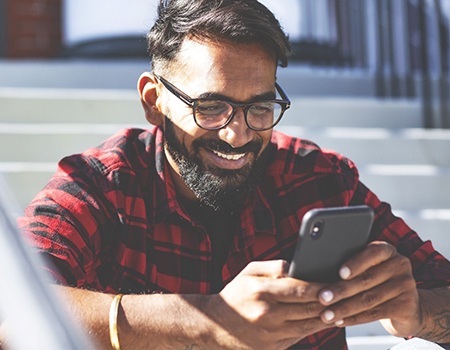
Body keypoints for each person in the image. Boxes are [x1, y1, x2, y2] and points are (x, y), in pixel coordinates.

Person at [13, 0, 450, 349]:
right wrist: (208, 321)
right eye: (210, 106)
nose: (237, 134)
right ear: (153, 100)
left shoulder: (319, 180)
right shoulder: (101, 186)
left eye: (259, 107)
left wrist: (418, 311)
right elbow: (10, 305)